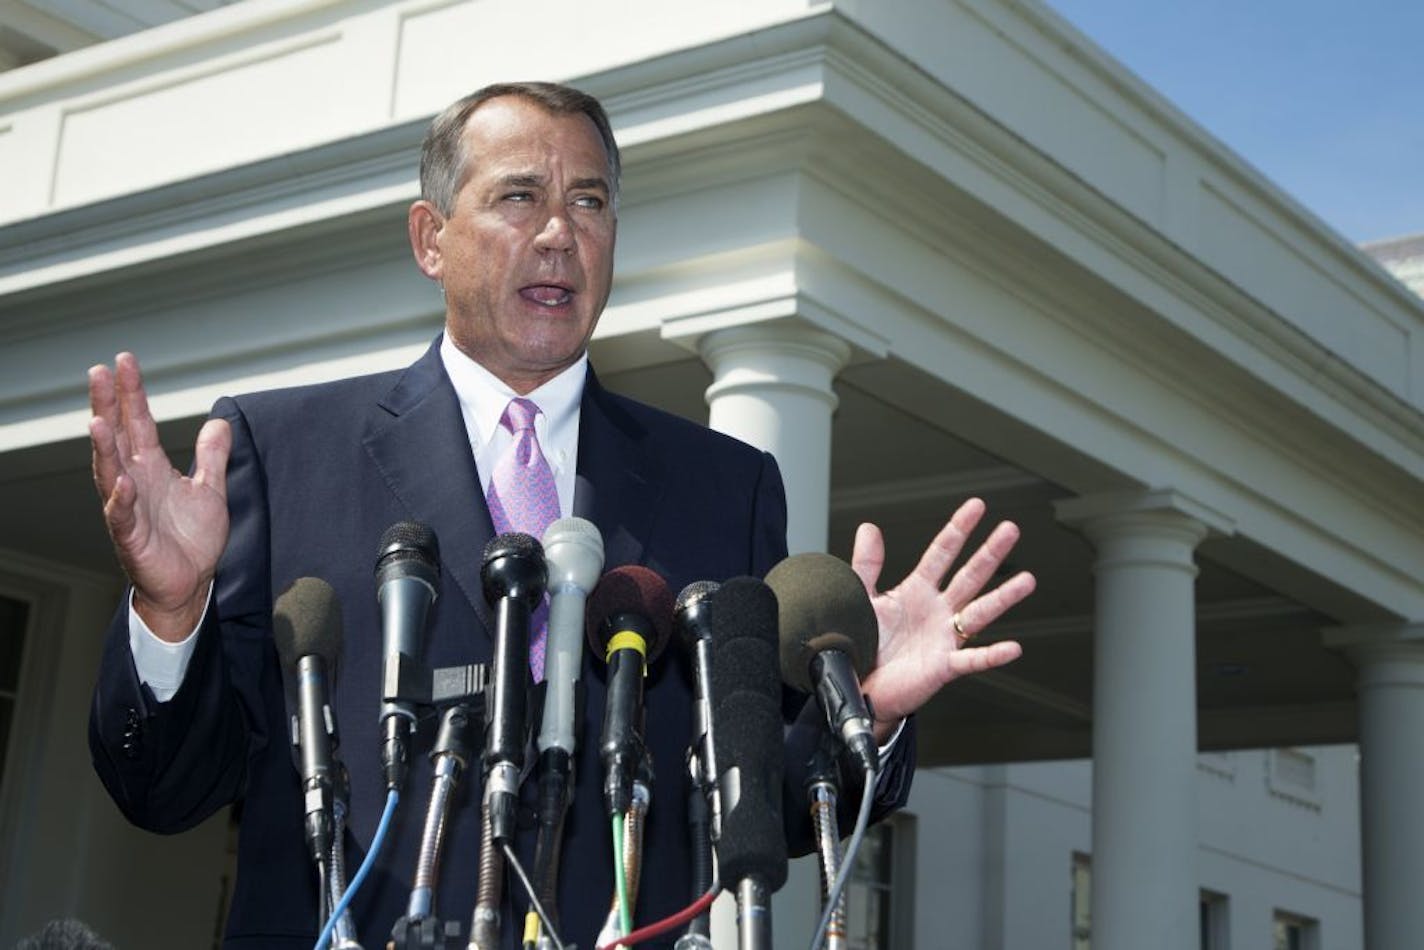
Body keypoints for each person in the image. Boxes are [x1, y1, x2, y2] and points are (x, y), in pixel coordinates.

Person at [87, 82, 1035, 948]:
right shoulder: (283, 451)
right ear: (430, 238)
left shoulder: (726, 486)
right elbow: (169, 791)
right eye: (517, 198)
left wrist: (854, 707)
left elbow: (768, 809)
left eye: (589, 201)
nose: (557, 234)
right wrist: (170, 617)